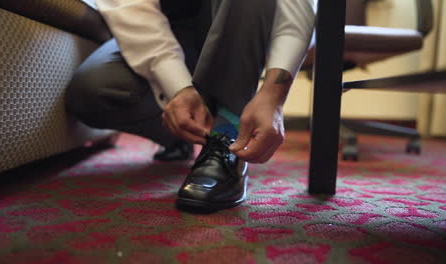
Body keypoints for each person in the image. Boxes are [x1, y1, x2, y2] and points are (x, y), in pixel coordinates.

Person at [65, 0, 316, 210]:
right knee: (94, 90)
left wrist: (274, 94)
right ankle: (184, 133)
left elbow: (296, 4)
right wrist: (179, 88)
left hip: (242, 22)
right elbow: (130, 5)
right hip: (167, 24)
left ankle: (227, 132)